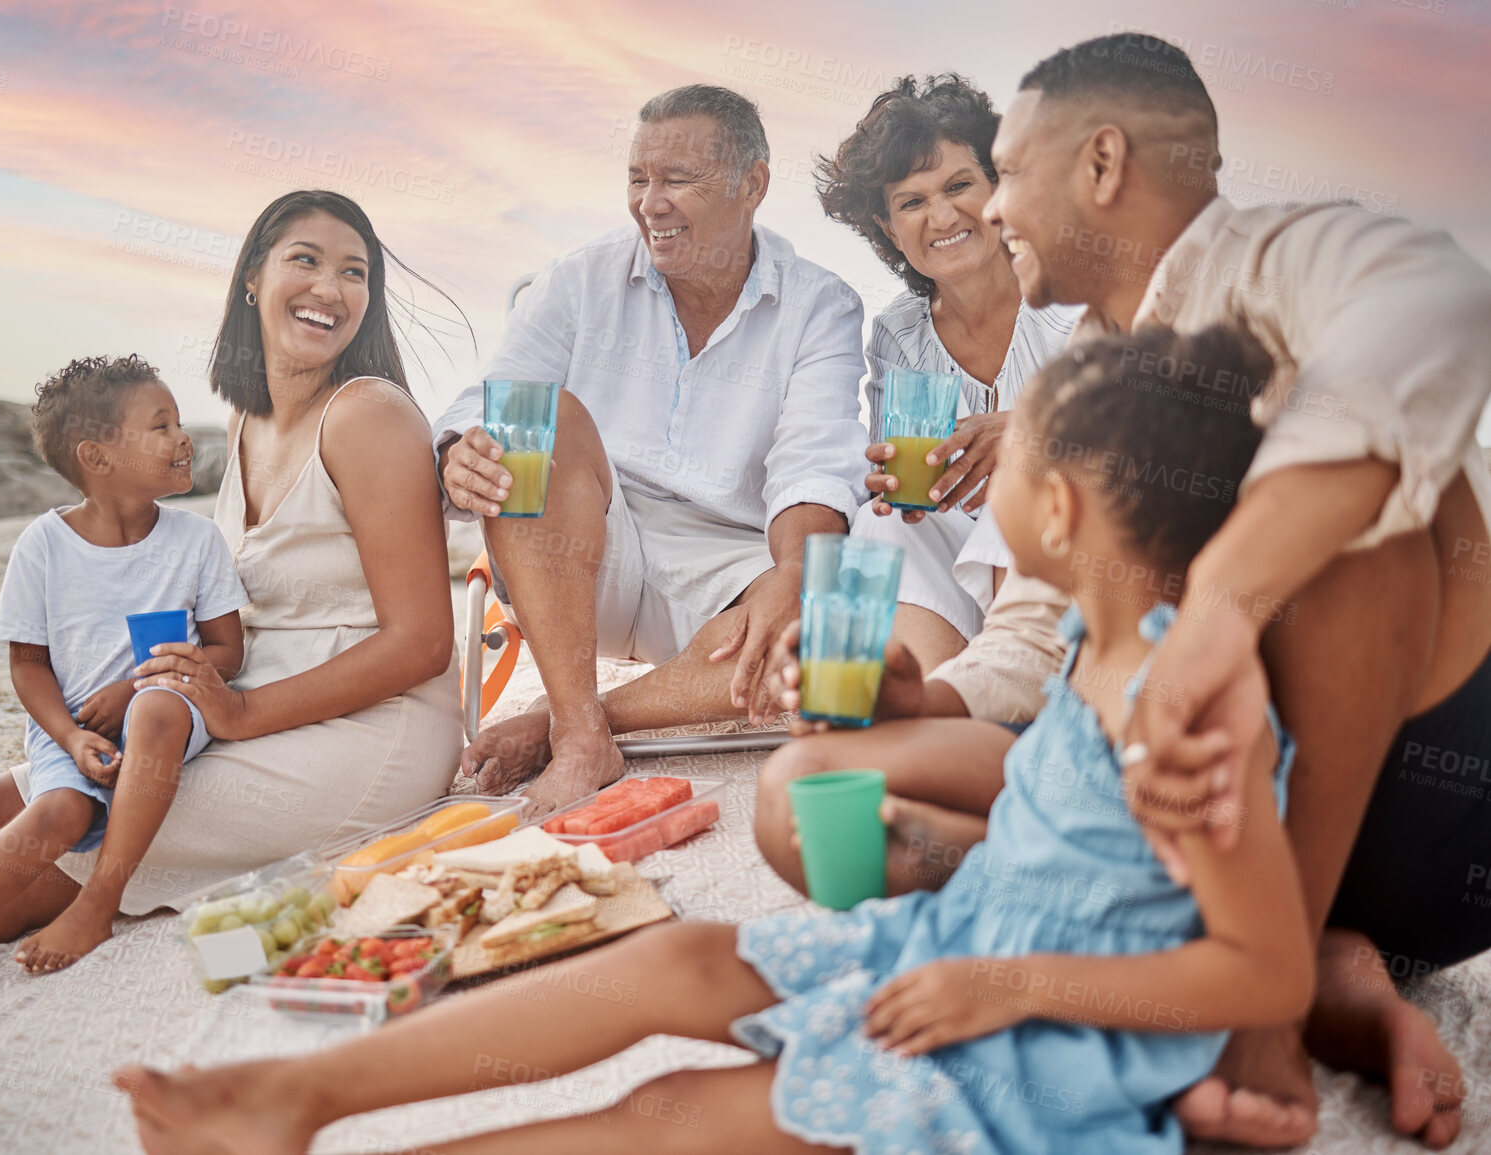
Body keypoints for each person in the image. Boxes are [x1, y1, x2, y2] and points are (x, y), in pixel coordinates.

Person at [115, 323, 1313, 1155]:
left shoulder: (1194, 702)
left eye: (1016, 449)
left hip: (1022, 1041)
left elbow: (1260, 968)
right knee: (675, 962)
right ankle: (302, 1094)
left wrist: (997, 980)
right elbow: (1066, 797)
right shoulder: (1099, 647)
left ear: (1056, 508)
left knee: (676, 1119)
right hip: (961, 942)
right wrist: (898, 707)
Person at [768, 32, 1491, 1150]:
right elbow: (1039, 615)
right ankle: (1288, 966)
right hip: (1190, 825)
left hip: (1422, 802)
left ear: (1102, 164)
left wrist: (1218, 610)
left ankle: (1276, 987)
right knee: (808, 794)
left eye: (1002, 171)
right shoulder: (1073, 374)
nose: (992, 208)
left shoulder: (1285, 255)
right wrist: (933, 703)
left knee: (1369, 520)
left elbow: (1440, 305)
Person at [0, 191, 465, 979]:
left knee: (62, 833)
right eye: (306, 259)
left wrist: (241, 711)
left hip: (367, 734)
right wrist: (155, 683)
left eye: (354, 272)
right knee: (7, 798)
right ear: (253, 278)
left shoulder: (368, 414)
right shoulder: (245, 422)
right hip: (246, 705)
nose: (330, 288)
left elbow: (424, 642)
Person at [437, 84, 868, 812]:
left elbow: (814, 462)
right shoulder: (579, 278)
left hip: (729, 565)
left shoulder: (819, 302)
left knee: (835, 624)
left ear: (750, 184)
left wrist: (794, 572)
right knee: (538, 420)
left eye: (676, 180)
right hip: (586, 549)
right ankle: (581, 739)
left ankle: (565, 722)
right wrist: (458, 453)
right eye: (638, 180)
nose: (649, 203)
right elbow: (483, 402)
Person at [0, 356, 249, 1017]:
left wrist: (142, 683)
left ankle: (99, 903)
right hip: (69, 727)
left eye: (178, 421)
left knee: (155, 709)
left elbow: (227, 650)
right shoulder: (44, 545)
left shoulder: (196, 540)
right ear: (97, 456)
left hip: (169, 709)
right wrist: (70, 736)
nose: (182, 438)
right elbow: (27, 664)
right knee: (60, 813)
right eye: (160, 424)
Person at [816, 73, 1080, 668]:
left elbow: (1155, 423)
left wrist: (1033, 430)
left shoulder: (1072, 299)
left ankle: (1005, 685)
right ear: (887, 227)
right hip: (978, 564)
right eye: (911, 202)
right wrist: (893, 487)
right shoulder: (898, 332)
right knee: (879, 528)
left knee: (1028, 480)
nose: (941, 215)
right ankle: (936, 700)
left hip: (1084, 551)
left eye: (959, 184)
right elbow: (915, 487)